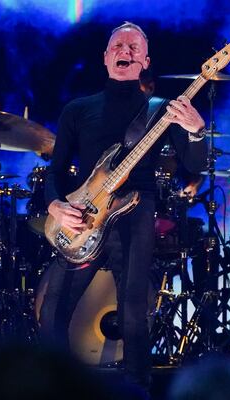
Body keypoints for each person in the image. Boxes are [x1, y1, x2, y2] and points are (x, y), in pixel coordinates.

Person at [40, 21, 208, 391]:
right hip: (84, 215)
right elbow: (55, 170)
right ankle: (53, 388)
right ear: (105, 57)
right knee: (53, 310)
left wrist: (197, 132)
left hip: (137, 211)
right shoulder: (79, 109)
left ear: (144, 61)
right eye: (118, 45)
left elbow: (194, 167)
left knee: (133, 312)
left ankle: (138, 390)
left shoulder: (162, 110)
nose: (125, 51)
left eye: (134, 47)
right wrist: (54, 205)